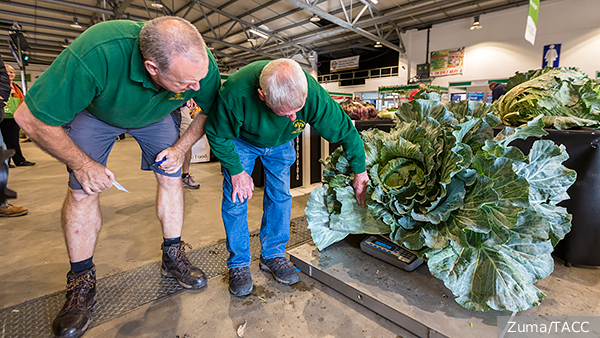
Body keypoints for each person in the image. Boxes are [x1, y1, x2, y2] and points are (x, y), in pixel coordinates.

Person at [13, 16, 220, 338]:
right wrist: (82, 165)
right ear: (152, 68)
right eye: (186, 84)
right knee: (83, 189)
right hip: (97, 113)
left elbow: (207, 111)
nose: (196, 89)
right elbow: (28, 118)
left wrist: (180, 149)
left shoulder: (198, 67)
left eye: (199, 80)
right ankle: (81, 280)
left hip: (156, 115)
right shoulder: (99, 51)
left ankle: (173, 254)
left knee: (170, 175)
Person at [205, 59, 369, 297]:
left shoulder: (311, 92)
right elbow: (217, 134)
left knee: (280, 195)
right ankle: (239, 264)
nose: (294, 117)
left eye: (297, 110)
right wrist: (236, 171)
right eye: (286, 112)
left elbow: (345, 131)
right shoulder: (235, 93)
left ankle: (273, 254)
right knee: (236, 198)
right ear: (262, 96)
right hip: (242, 142)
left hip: (282, 143)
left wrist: (360, 171)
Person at [0, 57, 29, 217]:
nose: (10, 74)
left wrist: (1, 96)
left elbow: (1, 74)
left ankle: (1, 204)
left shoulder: (15, 87)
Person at [1, 64, 35, 167]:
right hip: (4, 116)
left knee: (14, 139)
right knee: (5, 140)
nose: (9, 74)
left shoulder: (16, 86)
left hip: (13, 116)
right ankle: (7, 162)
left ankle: (19, 160)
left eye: (11, 72)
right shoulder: (3, 86)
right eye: (7, 72)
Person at [179, 99, 200, 189]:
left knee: (186, 141)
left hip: (182, 107)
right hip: (165, 108)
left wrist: (191, 97)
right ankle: (168, 177)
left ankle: (185, 175)